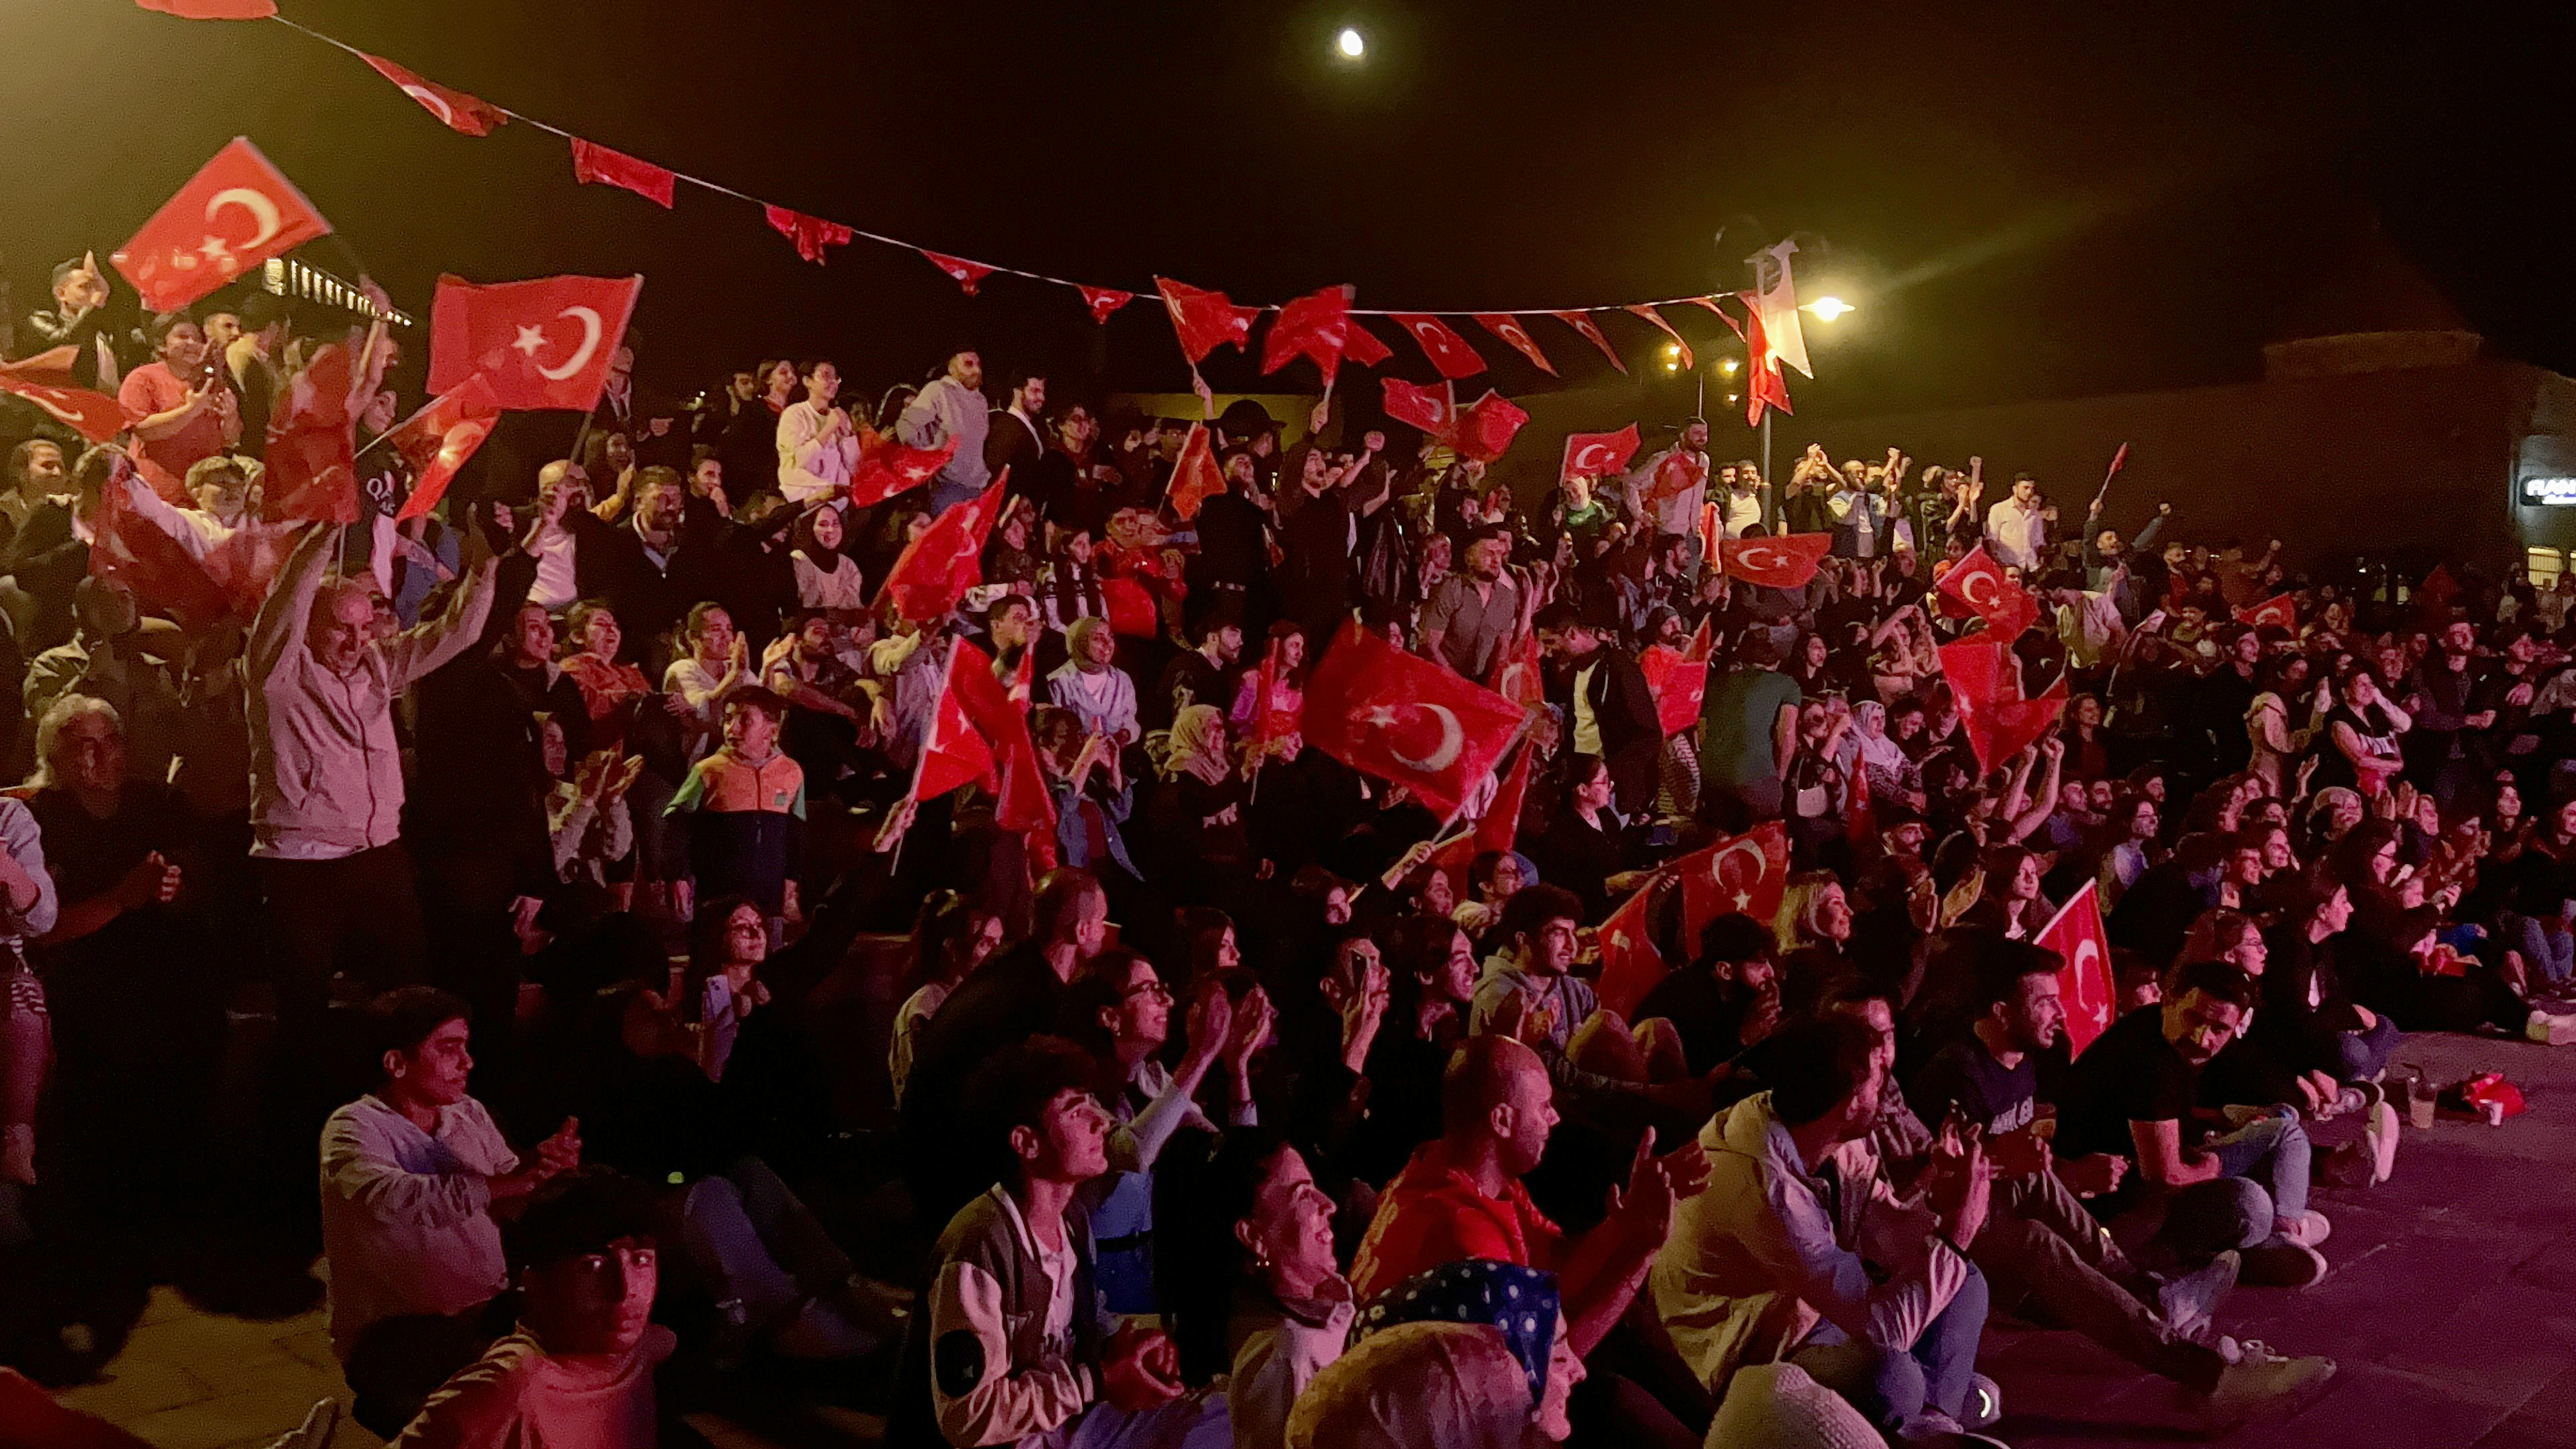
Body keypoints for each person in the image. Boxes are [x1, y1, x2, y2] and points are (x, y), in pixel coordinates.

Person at [1652, 1014, 2000, 1441]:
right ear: (1851, 1101)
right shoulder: (1762, 1185)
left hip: (1816, 1306)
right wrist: (1956, 1235)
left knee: (1968, 1282)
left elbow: (1889, 1236)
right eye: (1879, 1079)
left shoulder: (1832, 1136)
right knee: (1893, 1378)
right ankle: (1936, 1404)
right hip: (1752, 1345)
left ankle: (1932, 1420)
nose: (1887, 1088)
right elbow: (1881, 1328)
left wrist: (1945, 1200)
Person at [907, 1037, 1228, 1449]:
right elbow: (967, 1417)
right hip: (1022, 1442)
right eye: (1076, 1112)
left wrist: (1125, 1350)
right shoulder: (981, 1246)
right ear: (1027, 1143)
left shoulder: (1071, 1216)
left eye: (1093, 1103)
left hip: (1068, 1424)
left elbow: (1073, 1336)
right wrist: (1096, 1380)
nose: (1103, 1121)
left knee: (1222, 1414)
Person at [250, 512, 504, 1030]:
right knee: (305, 1013)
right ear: (309, 627)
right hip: (304, 862)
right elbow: (287, 604)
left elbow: (460, 631)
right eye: (341, 627)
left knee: (409, 997)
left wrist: (487, 565)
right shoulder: (279, 674)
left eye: (365, 627)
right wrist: (327, 533)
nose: (356, 640)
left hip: (379, 853)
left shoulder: (379, 667)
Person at [322, 987, 580, 1431]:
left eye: (467, 1047)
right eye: (449, 1049)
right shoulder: (353, 1128)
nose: (468, 1063)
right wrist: (514, 1180)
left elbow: (508, 1204)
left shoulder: (468, 1114)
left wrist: (548, 1177)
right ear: (396, 1062)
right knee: (510, 1399)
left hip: (483, 1312)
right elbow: (393, 1199)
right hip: (398, 1335)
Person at [2055, 961, 2332, 1286]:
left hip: (2154, 1182)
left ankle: (2284, 1232)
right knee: (2250, 1202)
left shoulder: (2166, 1035)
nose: (2203, 1038)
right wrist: (2212, 1166)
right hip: (2122, 1208)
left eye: (2220, 1030)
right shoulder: (2151, 1065)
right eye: (2194, 1018)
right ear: (2169, 1001)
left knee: (2283, 1130)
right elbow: (2165, 1176)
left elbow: (2254, 1070)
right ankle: (2262, 1241)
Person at [388, 1169, 674, 1449]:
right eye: (593, 1266)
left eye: (640, 1261)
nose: (625, 1292)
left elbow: (664, 1340)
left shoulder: (637, 1349)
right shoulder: (508, 1388)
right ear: (535, 1282)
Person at [1534, 604, 1662, 818]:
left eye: (1550, 642)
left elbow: (1650, 735)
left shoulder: (1619, 668)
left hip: (1610, 793)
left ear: (1572, 634)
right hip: (1580, 789)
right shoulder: (1574, 672)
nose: (1547, 652)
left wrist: (1606, 771)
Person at [118, 313, 239, 504]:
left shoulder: (211, 382)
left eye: (198, 339)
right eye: (182, 337)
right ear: (161, 345)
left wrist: (230, 417)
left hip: (204, 497)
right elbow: (144, 430)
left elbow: (231, 439)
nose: (192, 343)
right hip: (157, 495)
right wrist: (191, 410)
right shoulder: (142, 378)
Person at [1418, 526, 1523, 682]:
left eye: (1499, 554)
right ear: (1469, 557)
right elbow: (1430, 646)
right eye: (1489, 553)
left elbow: (1502, 649)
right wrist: (1456, 683)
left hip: (1480, 684)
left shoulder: (1506, 598)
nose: (1496, 561)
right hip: (1441, 679)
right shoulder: (1450, 590)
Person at [898, 350, 993, 513]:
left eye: (978, 365)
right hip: (947, 488)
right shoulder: (938, 390)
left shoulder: (981, 401)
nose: (977, 371)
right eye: (968, 364)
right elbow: (906, 426)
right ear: (952, 368)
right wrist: (926, 456)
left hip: (976, 490)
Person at [775, 360, 857, 507]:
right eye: (826, 376)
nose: (832, 382)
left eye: (836, 378)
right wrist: (828, 429)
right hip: (803, 498)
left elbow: (853, 466)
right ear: (808, 381)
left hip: (836, 501)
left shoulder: (838, 416)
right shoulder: (795, 414)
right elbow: (804, 463)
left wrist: (848, 435)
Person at [1982, 473, 2047, 573]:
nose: (2029, 492)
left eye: (2032, 489)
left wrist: (2041, 563)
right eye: (2025, 488)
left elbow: (2039, 543)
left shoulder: (2035, 515)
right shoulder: (1999, 509)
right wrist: (1999, 564)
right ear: (2015, 489)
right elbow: (1991, 539)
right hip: (2007, 567)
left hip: (2031, 568)